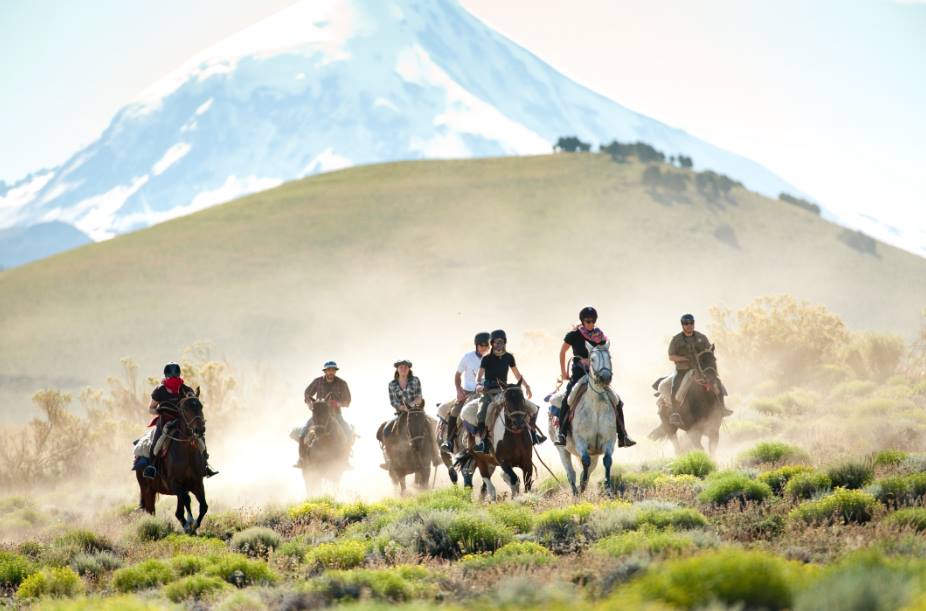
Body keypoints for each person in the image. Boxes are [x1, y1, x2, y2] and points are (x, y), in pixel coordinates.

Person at [556, 306, 635, 447]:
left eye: (593, 321)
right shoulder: (573, 335)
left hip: (597, 375)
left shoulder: (600, 336)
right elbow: (562, 352)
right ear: (582, 321)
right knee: (567, 399)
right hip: (580, 372)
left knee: (617, 401)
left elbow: (604, 354)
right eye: (587, 321)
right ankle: (562, 434)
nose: (591, 324)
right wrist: (564, 373)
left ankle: (623, 435)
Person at [138, 362, 217, 479]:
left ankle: (205, 465)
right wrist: (159, 411)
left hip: (184, 421)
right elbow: (151, 409)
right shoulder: (159, 391)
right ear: (166, 375)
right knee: (158, 439)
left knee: (200, 437)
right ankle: (152, 466)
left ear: (179, 374)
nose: (174, 376)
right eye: (171, 374)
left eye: (176, 374)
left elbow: (192, 402)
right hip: (166, 421)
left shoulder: (186, 389)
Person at [473, 329, 540, 453]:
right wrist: (478, 384)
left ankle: (533, 434)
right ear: (492, 343)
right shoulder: (486, 359)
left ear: (505, 343)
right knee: (483, 411)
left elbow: (517, 374)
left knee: (533, 408)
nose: (499, 345)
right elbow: (479, 375)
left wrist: (527, 386)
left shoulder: (509, 357)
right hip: (489, 391)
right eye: (496, 342)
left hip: (505, 391)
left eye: (502, 342)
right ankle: (483, 441)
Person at [667, 314, 732, 416]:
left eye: (691, 323)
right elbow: (671, 357)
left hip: (701, 368)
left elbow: (709, 351)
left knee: (717, 382)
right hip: (682, 369)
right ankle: (675, 413)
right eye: (686, 323)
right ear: (682, 325)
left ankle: (722, 408)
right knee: (675, 385)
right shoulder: (676, 339)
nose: (689, 325)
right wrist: (685, 359)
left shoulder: (702, 337)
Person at [441, 332, 491, 453]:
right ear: (476, 345)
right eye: (481, 345)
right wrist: (459, 390)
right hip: (468, 392)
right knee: (454, 412)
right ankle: (449, 441)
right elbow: (458, 375)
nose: (484, 347)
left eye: (486, 345)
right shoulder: (467, 357)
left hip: (488, 392)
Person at [296, 361, 353, 468]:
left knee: (348, 434)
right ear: (325, 371)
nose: (331, 372)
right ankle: (302, 458)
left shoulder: (342, 383)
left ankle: (345, 460)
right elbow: (307, 393)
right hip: (318, 415)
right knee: (303, 433)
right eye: (328, 370)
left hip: (336, 414)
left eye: (333, 370)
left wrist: (338, 403)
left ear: (335, 371)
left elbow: (348, 401)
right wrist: (309, 403)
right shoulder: (317, 382)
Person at [381, 359, 424, 469]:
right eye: (401, 367)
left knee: (431, 424)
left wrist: (411, 405)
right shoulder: (392, 384)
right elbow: (393, 401)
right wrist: (402, 407)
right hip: (400, 413)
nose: (403, 369)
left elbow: (419, 396)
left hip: (416, 411)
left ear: (409, 369)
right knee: (386, 430)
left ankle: (435, 455)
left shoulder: (415, 380)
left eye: (405, 367)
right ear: (397, 369)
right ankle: (389, 458)